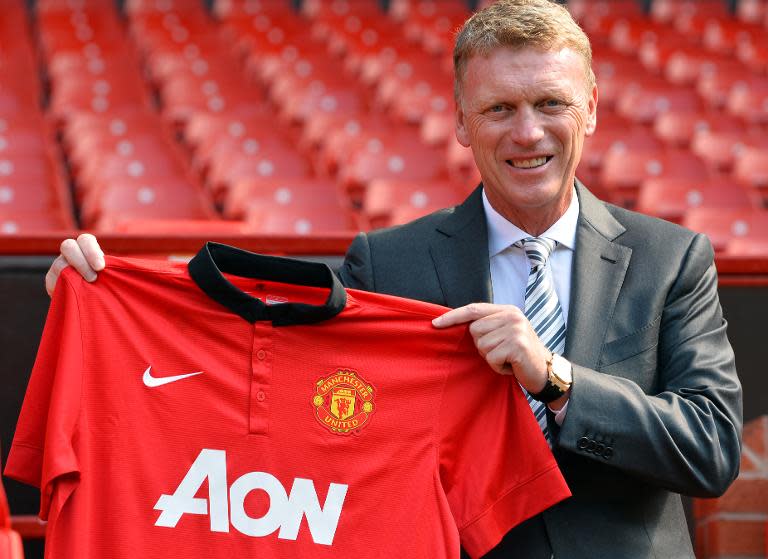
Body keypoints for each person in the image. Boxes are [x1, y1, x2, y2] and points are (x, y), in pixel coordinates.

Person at [44, 0, 742, 557]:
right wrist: (108, 299)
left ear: (590, 105)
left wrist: (554, 379)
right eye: (500, 108)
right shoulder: (389, 264)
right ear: (462, 122)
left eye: (550, 104)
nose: (527, 132)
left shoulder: (670, 259)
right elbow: (270, 359)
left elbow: (711, 448)